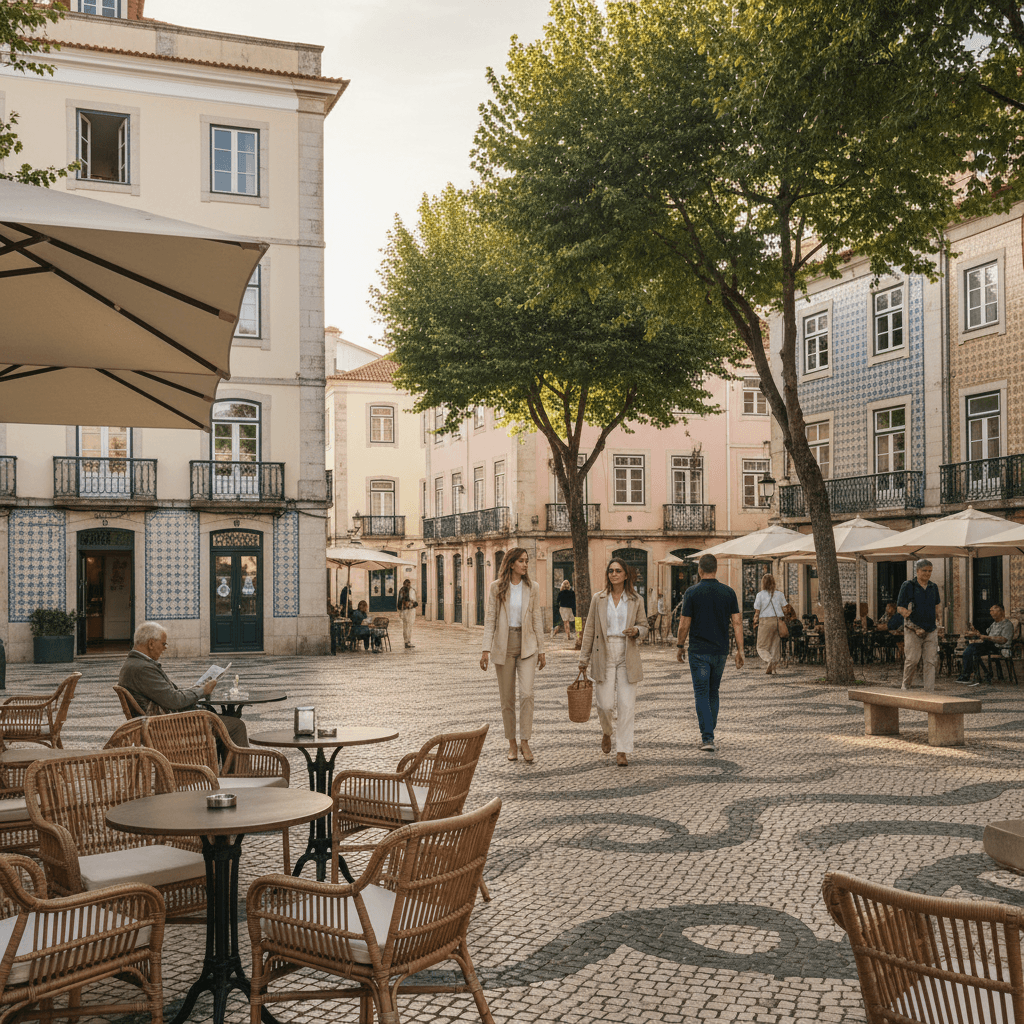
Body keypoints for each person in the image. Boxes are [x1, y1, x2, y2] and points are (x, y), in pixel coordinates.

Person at [119, 621, 247, 745]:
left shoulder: (134, 664)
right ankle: (236, 768)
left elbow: (169, 695)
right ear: (151, 643)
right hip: (167, 726)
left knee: (225, 721)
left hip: (158, 723)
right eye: (163, 643)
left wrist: (196, 689)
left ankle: (222, 766)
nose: (165, 648)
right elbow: (174, 700)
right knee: (236, 726)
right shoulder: (142, 668)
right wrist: (202, 691)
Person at [578, 559, 648, 767]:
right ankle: (607, 731)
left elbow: (644, 626)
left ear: (626, 575)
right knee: (605, 704)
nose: (614, 574)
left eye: (618, 571)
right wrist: (583, 659)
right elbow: (589, 629)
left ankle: (623, 750)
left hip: (628, 652)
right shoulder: (598, 599)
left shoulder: (636, 600)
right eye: (611, 571)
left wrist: (636, 631)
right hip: (604, 652)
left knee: (627, 705)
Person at [480, 548, 546, 762]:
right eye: (521, 561)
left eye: (526, 561)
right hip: (504, 646)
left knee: (527, 694)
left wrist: (542, 650)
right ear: (510, 564)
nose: (525, 565)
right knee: (507, 699)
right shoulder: (496, 588)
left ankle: (525, 740)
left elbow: (537, 619)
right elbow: (490, 619)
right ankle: (512, 743)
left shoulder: (532, 587)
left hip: (527, 646)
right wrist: (485, 650)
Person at [676, 553, 744, 753]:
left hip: (698, 652)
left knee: (701, 693)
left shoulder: (692, 592)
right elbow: (737, 622)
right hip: (720, 651)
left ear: (700, 570)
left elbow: (684, 623)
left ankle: (707, 737)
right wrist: (740, 650)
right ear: (716, 569)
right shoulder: (728, 592)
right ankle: (709, 730)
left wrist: (680, 645)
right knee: (713, 692)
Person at [897, 558, 942, 692]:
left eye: (930, 571)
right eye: (924, 571)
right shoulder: (908, 585)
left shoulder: (933, 587)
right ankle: (906, 686)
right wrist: (911, 620)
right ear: (917, 571)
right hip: (912, 629)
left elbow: (937, 606)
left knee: (930, 662)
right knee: (912, 660)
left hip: (931, 629)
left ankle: (929, 691)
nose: (927, 573)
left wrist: (940, 623)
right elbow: (900, 607)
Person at [958, 602, 1014, 684]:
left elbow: (1003, 640)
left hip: (1000, 648)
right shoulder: (994, 624)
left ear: (1002, 611)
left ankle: (968, 675)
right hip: (990, 646)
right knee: (971, 649)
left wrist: (987, 638)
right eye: (990, 611)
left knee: (973, 649)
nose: (991, 613)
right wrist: (977, 634)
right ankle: (976, 674)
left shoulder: (1007, 624)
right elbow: (987, 635)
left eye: (994, 611)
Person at [751, 573, 790, 675]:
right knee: (775, 645)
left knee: (761, 646)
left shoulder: (760, 595)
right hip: (777, 621)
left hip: (765, 621)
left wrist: (755, 621)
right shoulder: (780, 594)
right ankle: (773, 668)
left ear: (763, 583)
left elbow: (757, 612)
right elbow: (785, 609)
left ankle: (769, 660)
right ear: (773, 583)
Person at [398, 578, 418, 648]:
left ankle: (406, 641)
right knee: (409, 626)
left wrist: (400, 611)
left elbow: (399, 602)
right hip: (410, 610)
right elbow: (414, 600)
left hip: (403, 611)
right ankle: (408, 641)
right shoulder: (411, 590)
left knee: (405, 627)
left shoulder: (401, 590)